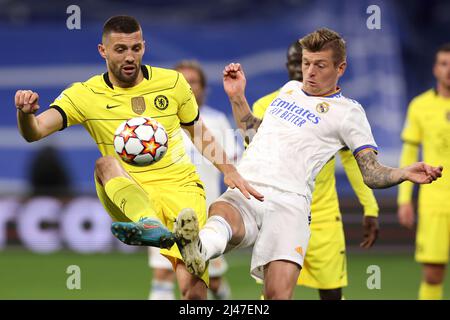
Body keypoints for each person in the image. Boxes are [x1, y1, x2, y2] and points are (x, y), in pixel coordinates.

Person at [173, 28, 443, 300]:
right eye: (306, 63)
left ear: (341, 68)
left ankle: (201, 249)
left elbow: (371, 172)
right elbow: (253, 135)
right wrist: (237, 98)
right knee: (221, 211)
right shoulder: (289, 90)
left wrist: (404, 173)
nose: (309, 71)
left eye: (320, 65)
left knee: (276, 296)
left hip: (290, 206)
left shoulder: (349, 113)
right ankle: (199, 250)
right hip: (249, 187)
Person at [14, 15, 262, 300]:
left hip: (182, 190)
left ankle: (164, 235)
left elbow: (198, 132)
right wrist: (25, 114)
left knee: (193, 293)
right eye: (120, 49)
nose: (130, 56)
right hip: (129, 189)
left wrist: (228, 169)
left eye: (136, 48)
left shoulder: (173, 83)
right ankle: (148, 223)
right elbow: (34, 132)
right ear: (102, 51)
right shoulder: (84, 95)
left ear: (143, 47)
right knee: (105, 163)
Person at [251, 40, 379, 300]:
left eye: (315, 65)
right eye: (299, 64)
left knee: (331, 294)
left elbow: (354, 162)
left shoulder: (338, 111)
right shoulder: (267, 105)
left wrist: (371, 206)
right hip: (280, 213)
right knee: (274, 293)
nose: (305, 72)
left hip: (322, 215)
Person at [148, 60, 236, 300]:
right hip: (165, 211)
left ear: (203, 88)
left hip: (205, 214)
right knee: (163, 273)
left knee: (210, 281)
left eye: (193, 81)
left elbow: (234, 165)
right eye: (180, 81)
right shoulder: (155, 124)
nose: (187, 86)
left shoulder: (216, 121)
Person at [397, 43, 450, 300]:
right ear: (435, 69)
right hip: (435, 203)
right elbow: (409, 154)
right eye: (444, 64)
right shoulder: (419, 106)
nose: (449, 70)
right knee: (432, 273)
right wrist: (404, 199)